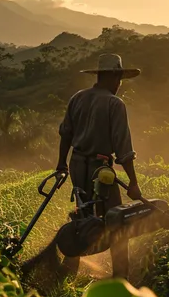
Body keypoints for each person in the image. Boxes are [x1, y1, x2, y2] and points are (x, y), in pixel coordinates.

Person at [21, 53, 142, 283]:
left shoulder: (78, 98)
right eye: (119, 79)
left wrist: (61, 163)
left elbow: (66, 133)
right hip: (101, 171)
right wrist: (133, 184)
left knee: (83, 214)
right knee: (116, 220)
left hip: (78, 165)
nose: (119, 84)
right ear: (113, 77)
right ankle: (121, 278)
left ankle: (70, 267)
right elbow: (123, 148)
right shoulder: (114, 104)